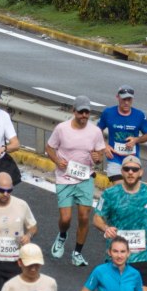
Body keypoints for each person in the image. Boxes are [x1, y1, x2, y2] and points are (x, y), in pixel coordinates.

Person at [93, 156, 147, 291]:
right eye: (127, 169)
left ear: (141, 172)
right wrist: (106, 228)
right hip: (116, 256)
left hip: (142, 255)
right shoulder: (110, 194)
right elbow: (97, 218)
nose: (130, 172)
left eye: (134, 169)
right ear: (122, 172)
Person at [45, 96, 106, 266]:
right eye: (81, 112)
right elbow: (49, 148)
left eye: (87, 112)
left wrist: (98, 157)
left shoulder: (95, 132)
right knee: (66, 219)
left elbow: (100, 154)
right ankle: (62, 235)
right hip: (64, 178)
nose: (84, 115)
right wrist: (57, 161)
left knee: (84, 217)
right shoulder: (62, 129)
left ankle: (77, 253)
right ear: (74, 111)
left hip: (85, 178)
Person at [97, 87, 147, 182]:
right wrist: (104, 145)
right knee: (120, 188)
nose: (126, 102)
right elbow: (97, 130)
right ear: (118, 97)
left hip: (132, 161)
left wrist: (136, 140)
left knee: (130, 192)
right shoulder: (108, 113)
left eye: (129, 99)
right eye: (124, 99)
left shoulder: (139, 115)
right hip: (114, 159)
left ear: (132, 99)